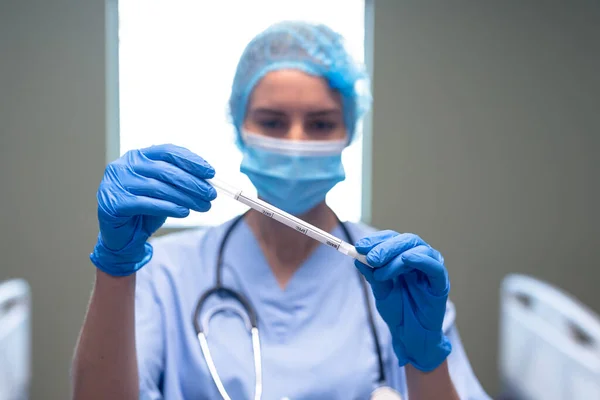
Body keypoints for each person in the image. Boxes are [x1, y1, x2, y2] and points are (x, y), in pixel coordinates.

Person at [71, 21, 490, 400]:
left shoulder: (397, 279)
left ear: (350, 131)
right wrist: (115, 269)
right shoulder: (166, 273)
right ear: (240, 127)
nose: (296, 141)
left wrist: (426, 360)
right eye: (272, 122)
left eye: (321, 124)